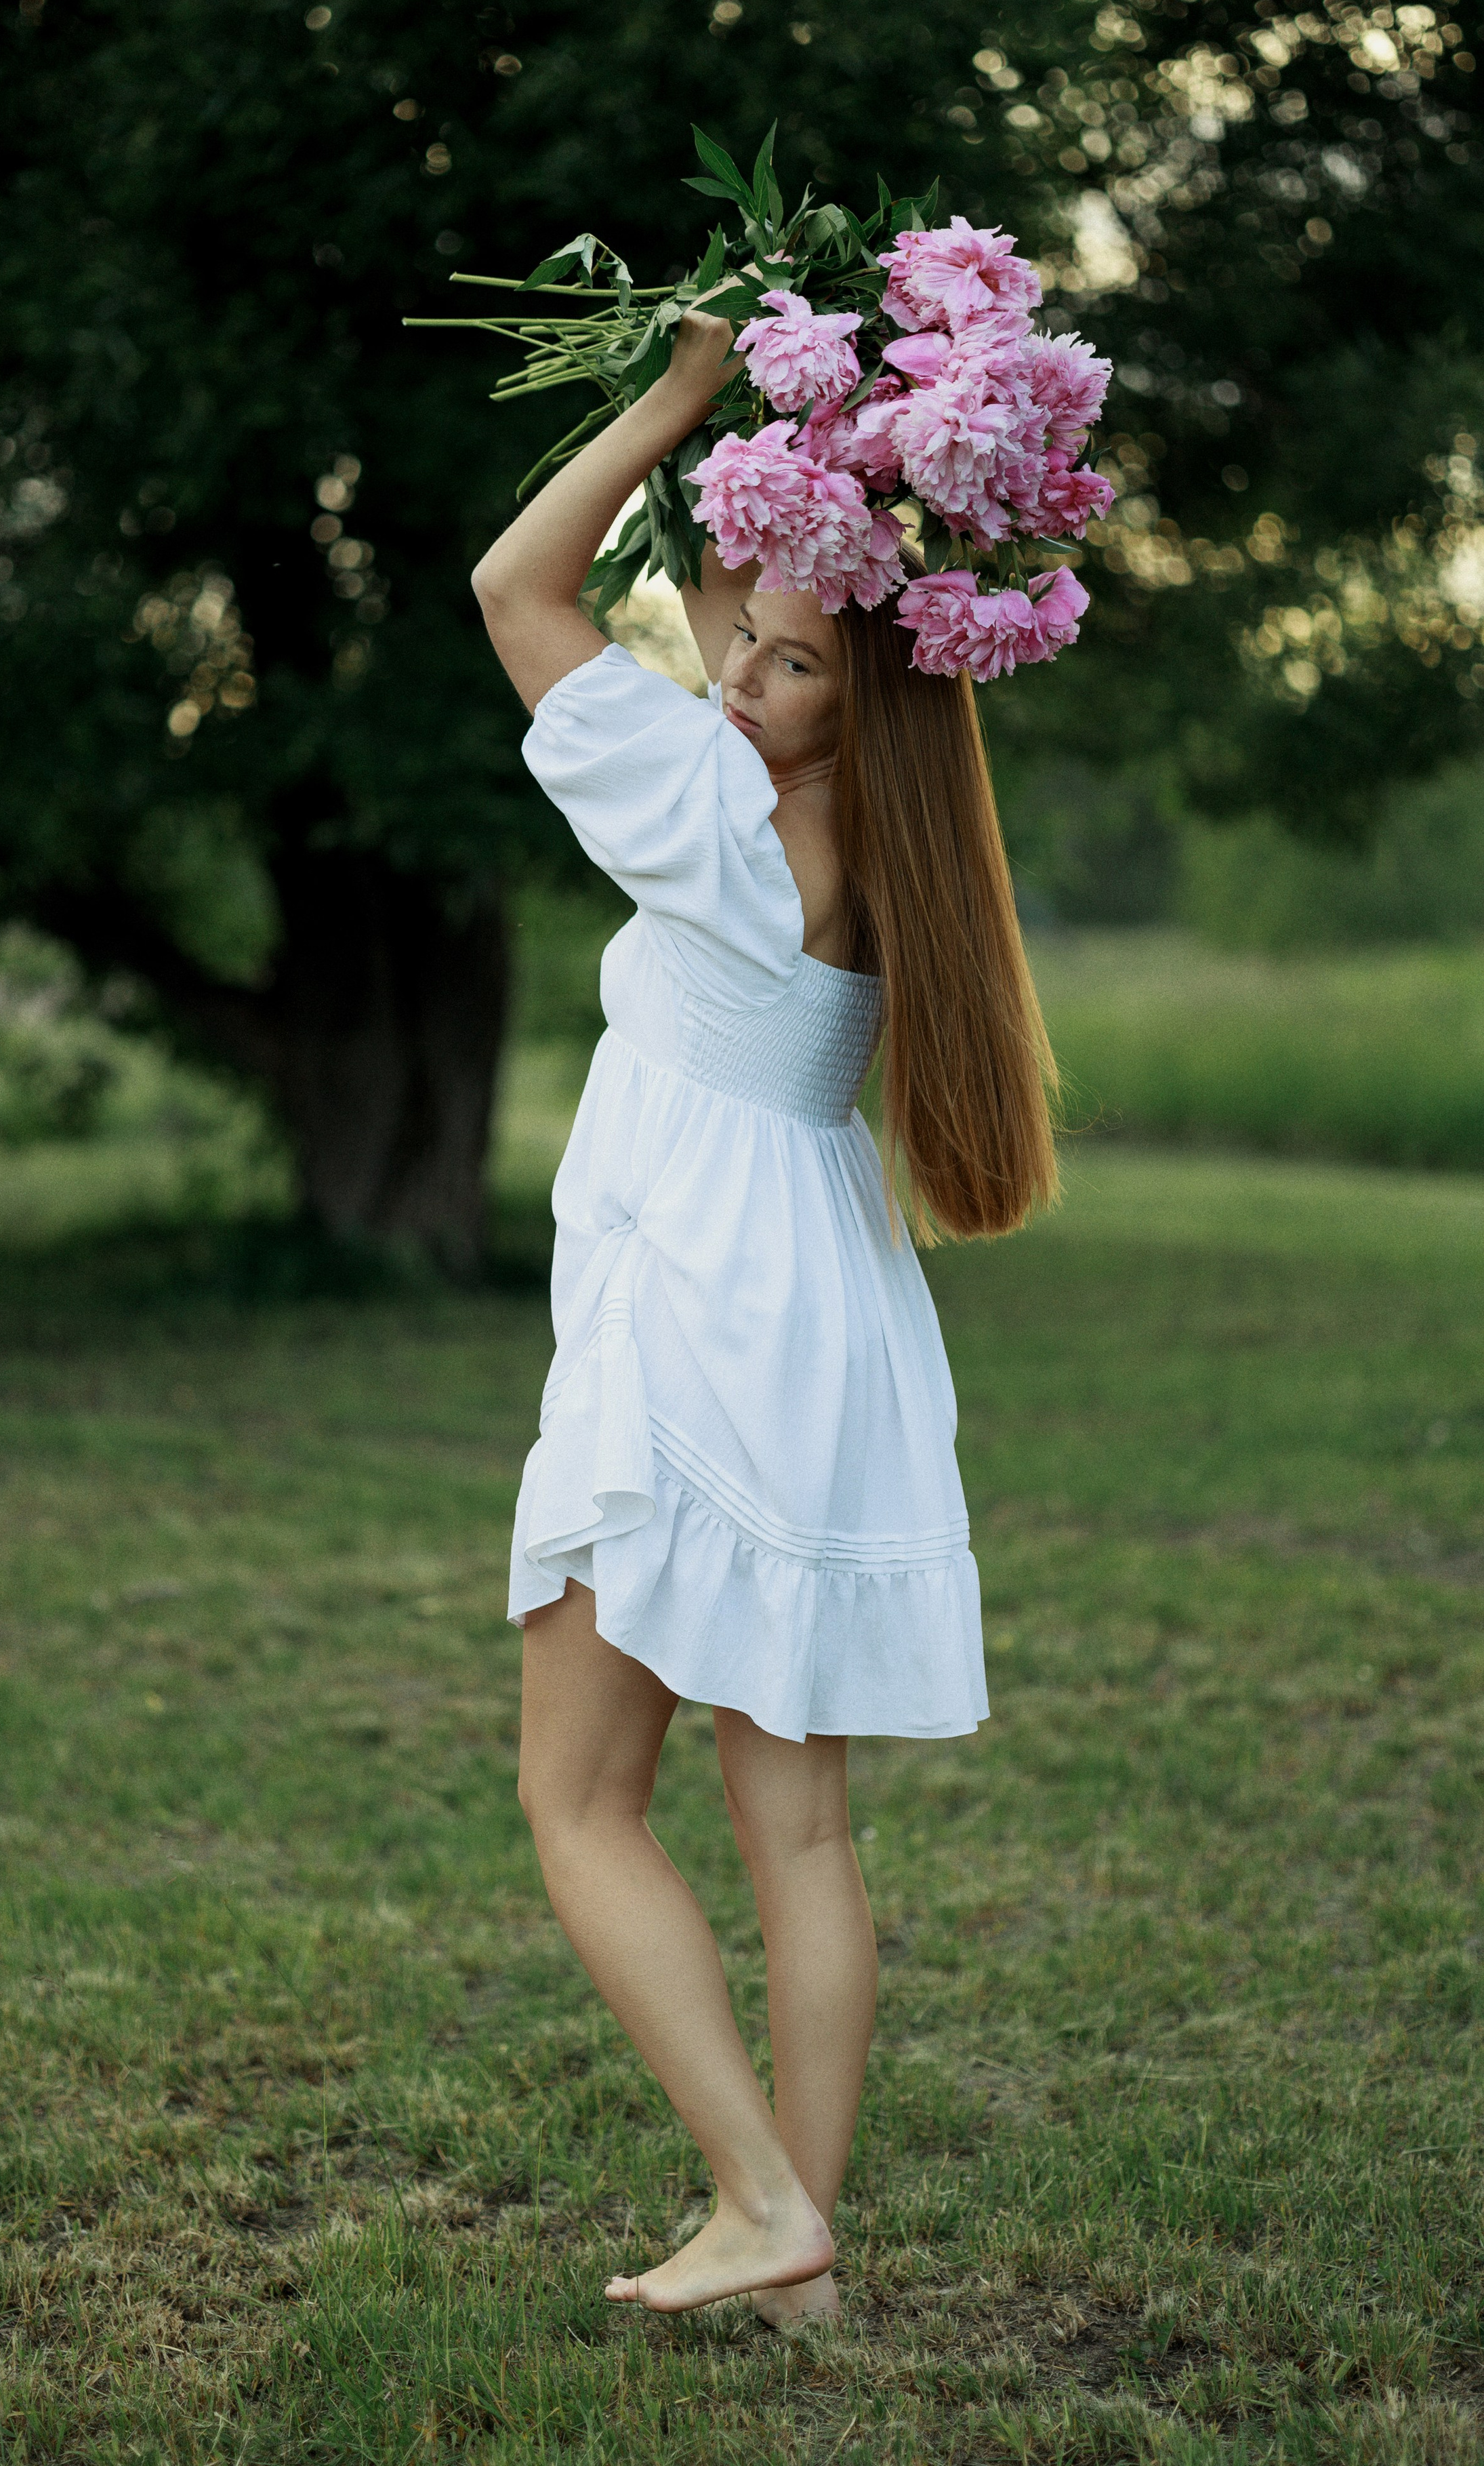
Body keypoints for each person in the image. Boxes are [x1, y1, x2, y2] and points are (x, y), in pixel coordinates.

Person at [471, 304, 1058, 2322]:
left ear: (860, 693)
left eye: (791, 659)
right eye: (740, 633)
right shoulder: (903, 852)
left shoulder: (714, 827)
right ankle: (802, 2260)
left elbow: (515, 582)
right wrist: (825, 454)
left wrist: (681, 395)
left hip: (696, 1324)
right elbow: (716, 577)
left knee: (577, 1796)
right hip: (828, 1322)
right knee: (795, 1829)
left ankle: (759, 2199)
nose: (731, 670)